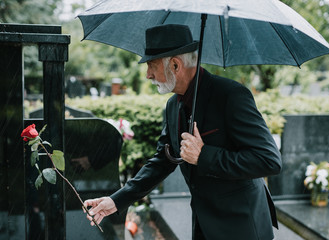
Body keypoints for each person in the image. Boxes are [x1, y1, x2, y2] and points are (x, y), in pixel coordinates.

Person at [84, 24, 282, 240]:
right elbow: (163, 161)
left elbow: (269, 160)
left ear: (175, 65)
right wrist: (116, 200)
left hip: (242, 227)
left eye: (151, 65)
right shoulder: (172, 106)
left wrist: (204, 156)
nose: (148, 75)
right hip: (203, 224)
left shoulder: (231, 96)